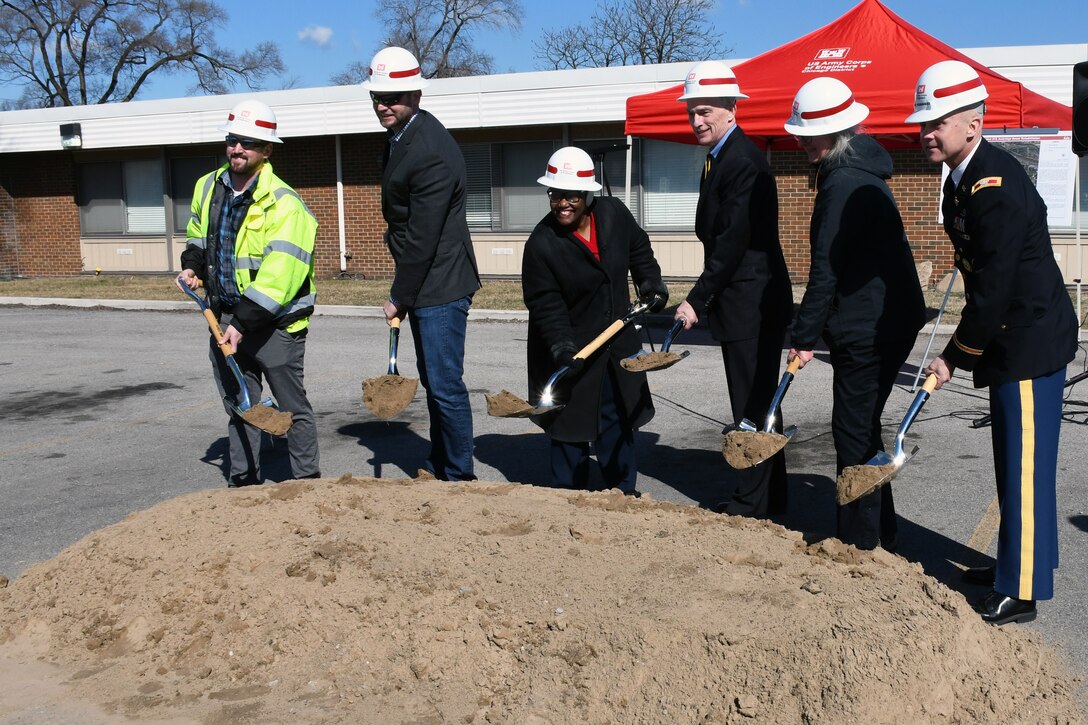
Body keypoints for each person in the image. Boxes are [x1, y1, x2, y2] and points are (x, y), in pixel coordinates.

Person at [907, 60, 1077, 624]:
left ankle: (1021, 589)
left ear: (973, 124)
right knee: (1013, 462)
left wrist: (953, 358)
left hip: (1028, 340)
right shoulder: (963, 178)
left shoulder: (993, 185)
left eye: (937, 121)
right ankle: (1018, 562)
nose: (925, 131)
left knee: (1025, 466)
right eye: (923, 121)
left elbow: (995, 289)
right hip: (1013, 339)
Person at [783, 77, 926, 551]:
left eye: (808, 133)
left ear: (835, 134)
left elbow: (826, 270)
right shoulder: (863, 172)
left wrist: (804, 336)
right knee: (863, 425)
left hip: (869, 326)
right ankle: (881, 530)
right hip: (889, 320)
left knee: (851, 432)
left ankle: (857, 547)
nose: (800, 141)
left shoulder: (841, 184)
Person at [178, 99, 320, 487]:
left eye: (249, 142)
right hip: (223, 316)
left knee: (293, 408)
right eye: (232, 140)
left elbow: (282, 273)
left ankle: (307, 484)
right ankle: (243, 485)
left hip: (275, 324)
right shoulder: (207, 186)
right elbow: (198, 234)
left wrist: (244, 321)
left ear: (267, 149)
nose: (237, 148)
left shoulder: (285, 203)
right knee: (242, 405)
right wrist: (193, 265)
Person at [674, 60, 793, 518]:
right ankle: (770, 497)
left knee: (750, 403)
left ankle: (753, 502)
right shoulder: (721, 156)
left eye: (704, 111)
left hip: (752, 299)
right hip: (744, 296)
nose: (697, 120)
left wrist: (696, 300)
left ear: (730, 107)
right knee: (759, 402)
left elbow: (731, 242)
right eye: (692, 112)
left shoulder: (742, 161)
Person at [364, 46, 481, 481]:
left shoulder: (429, 149)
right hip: (428, 278)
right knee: (435, 381)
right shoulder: (403, 136)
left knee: (445, 384)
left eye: (391, 96)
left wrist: (399, 296)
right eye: (377, 96)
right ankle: (441, 461)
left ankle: (460, 474)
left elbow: (423, 237)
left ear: (414, 93)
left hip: (442, 282)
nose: (382, 104)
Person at [521, 147, 668, 494]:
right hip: (571, 348)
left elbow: (638, 248)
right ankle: (568, 498)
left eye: (571, 195)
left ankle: (622, 494)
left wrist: (650, 282)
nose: (562, 204)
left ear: (588, 194)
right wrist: (562, 347)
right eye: (555, 195)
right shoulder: (541, 244)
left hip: (617, 346)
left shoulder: (613, 213)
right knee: (569, 426)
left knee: (616, 419)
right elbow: (545, 304)